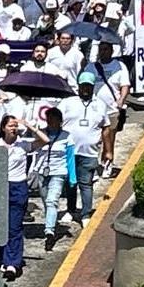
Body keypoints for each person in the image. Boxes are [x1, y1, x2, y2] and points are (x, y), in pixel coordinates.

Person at [0, 116, 48, 280]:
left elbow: (45, 140)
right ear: (3, 128)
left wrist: (29, 126)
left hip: (18, 187)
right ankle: (5, 259)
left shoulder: (23, 144)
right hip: (1, 186)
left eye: (15, 126)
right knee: (2, 226)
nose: (13, 128)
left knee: (15, 227)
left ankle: (13, 263)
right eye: (10, 126)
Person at [59, 72, 109, 226]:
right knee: (70, 182)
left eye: (89, 86)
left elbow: (106, 127)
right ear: (78, 86)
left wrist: (108, 150)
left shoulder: (100, 104)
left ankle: (86, 213)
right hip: (69, 151)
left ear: (93, 86)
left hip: (89, 152)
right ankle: (71, 209)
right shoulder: (68, 102)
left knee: (86, 184)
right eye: (83, 86)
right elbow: (55, 118)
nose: (85, 89)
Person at [83, 42, 130, 178]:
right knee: (93, 139)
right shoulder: (91, 67)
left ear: (111, 50)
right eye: (100, 50)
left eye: (105, 49)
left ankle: (107, 164)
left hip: (111, 110)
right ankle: (93, 165)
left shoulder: (119, 66)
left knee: (109, 139)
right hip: (94, 110)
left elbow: (125, 85)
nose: (102, 52)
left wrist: (121, 100)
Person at [33, 107, 77, 252]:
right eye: (48, 118)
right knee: (46, 201)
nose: (50, 121)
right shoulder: (41, 134)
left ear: (60, 120)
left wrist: (72, 177)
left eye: (53, 118)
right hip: (42, 172)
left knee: (52, 201)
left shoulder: (67, 136)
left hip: (58, 172)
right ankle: (50, 223)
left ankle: (49, 232)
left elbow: (70, 158)